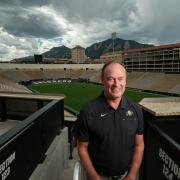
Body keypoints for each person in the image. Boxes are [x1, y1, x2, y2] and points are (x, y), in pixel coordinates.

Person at [75, 61, 144, 180]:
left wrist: (132, 175)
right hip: (98, 176)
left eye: (120, 79)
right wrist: (95, 177)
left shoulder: (136, 109)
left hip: (126, 176)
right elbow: (82, 148)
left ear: (125, 81)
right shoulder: (88, 111)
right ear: (102, 80)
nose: (116, 84)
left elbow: (139, 145)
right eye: (111, 79)